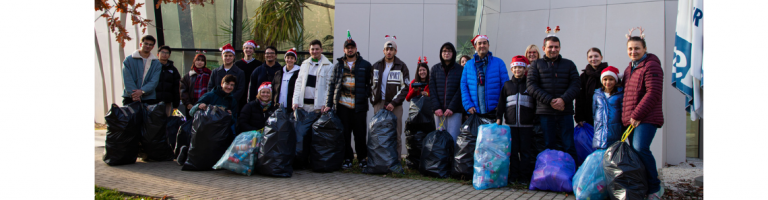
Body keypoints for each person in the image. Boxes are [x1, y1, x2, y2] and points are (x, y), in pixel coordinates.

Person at [621, 28, 665, 199]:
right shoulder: (629, 68)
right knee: (635, 152)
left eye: (637, 48)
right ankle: (644, 186)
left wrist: (637, 114)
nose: (633, 51)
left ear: (644, 49)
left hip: (646, 117)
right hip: (633, 119)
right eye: (630, 49)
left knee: (641, 148)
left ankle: (655, 188)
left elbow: (653, 93)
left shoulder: (651, 65)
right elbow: (627, 95)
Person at [323, 31, 374, 169]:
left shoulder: (365, 65)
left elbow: (371, 84)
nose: (350, 49)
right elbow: (332, 85)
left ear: (356, 49)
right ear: (344, 49)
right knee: (345, 134)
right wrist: (328, 104)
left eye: (352, 47)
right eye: (347, 47)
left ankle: (362, 158)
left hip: (359, 106)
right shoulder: (338, 65)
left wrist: (365, 95)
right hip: (342, 106)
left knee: (360, 134)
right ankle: (348, 159)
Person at [526, 34, 581, 162]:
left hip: (565, 112)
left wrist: (563, 100)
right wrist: (550, 100)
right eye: (550, 47)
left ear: (560, 48)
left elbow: (576, 85)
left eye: (556, 47)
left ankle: (571, 176)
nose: (553, 49)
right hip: (545, 113)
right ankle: (550, 176)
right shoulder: (536, 65)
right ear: (544, 48)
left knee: (568, 145)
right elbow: (531, 86)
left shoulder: (569, 64)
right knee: (548, 146)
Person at [496, 55, 536, 185]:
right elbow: (501, 104)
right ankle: (513, 176)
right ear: (512, 69)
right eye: (515, 67)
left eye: (520, 67)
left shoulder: (529, 85)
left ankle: (524, 177)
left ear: (525, 69)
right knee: (513, 152)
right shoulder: (507, 85)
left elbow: (535, 104)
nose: (518, 70)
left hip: (527, 126)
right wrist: (498, 118)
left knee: (525, 152)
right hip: (511, 125)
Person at [370, 39, 410, 159]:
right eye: (387, 49)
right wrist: (374, 101)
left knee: (396, 134)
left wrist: (393, 102)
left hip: (395, 106)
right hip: (379, 104)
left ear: (395, 51)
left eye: (391, 49)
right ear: (383, 51)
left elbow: (406, 87)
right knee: (378, 133)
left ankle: (396, 162)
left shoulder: (402, 66)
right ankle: (379, 161)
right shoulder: (376, 66)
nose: (389, 51)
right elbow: (370, 85)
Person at [460, 35, 509, 119]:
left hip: (494, 111)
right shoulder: (469, 65)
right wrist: (468, 105)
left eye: (484, 43)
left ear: (488, 45)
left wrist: (500, 105)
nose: (482, 45)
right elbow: (464, 86)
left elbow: (505, 86)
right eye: (479, 43)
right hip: (474, 111)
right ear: (475, 46)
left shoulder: (499, 63)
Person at [428, 42, 464, 142]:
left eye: (449, 51)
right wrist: (436, 107)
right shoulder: (435, 69)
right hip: (438, 112)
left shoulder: (460, 69)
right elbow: (432, 89)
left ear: (453, 53)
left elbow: (461, 90)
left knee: (453, 138)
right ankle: (441, 158)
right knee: (439, 139)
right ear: (441, 53)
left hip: (454, 111)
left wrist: (452, 107)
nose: (446, 53)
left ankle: (451, 158)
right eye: (444, 51)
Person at [292, 39, 334, 112]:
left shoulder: (329, 66)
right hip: (302, 107)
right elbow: (298, 84)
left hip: (318, 108)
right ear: (309, 50)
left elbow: (329, 87)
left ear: (321, 50)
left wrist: (325, 103)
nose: (314, 51)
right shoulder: (304, 64)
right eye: (312, 49)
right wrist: (295, 101)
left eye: (317, 49)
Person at [121, 35, 161, 105]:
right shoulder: (128, 60)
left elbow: (154, 81)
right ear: (140, 44)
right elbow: (127, 79)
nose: (148, 46)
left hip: (148, 98)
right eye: (146, 43)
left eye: (150, 44)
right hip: (130, 97)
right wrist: (134, 94)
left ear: (153, 47)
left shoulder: (156, 63)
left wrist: (142, 91)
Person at [575, 47, 608, 127]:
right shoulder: (583, 76)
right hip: (588, 117)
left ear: (601, 57)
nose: (593, 59)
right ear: (587, 59)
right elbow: (579, 98)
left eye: (596, 56)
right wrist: (579, 117)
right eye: (590, 57)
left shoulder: (608, 74)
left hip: (606, 116)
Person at [592, 66, 624, 149]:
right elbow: (594, 111)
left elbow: (622, 111)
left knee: (613, 152)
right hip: (600, 130)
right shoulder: (597, 94)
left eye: (611, 79)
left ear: (616, 80)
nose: (608, 82)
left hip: (614, 130)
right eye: (605, 79)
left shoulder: (620, 94)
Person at [207, 44, 246, 109]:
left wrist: (230, 100)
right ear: (222, 56)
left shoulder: (240, 73)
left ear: (234, 57)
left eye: (230, 56)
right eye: (226, 56)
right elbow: (210, 87)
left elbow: (241, 90)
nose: (228, 58)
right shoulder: (215, 72)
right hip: (216, 105)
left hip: (232, 105)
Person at [181, 53, 212, 119]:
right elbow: (183, 90)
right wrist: (188, 104)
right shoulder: (188, 76)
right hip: (191, 106)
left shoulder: (210, 74)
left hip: (206, 106)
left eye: (202, 60)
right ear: (194, 61)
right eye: (198, 60)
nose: (199, 62)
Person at [235, 40, 263, 110]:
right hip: (240, 94)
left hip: (253, 93)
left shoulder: (258, 64)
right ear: (243, 50)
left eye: (250, 48)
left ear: (253, 50)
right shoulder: (237, 64)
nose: (248, 50)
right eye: (246, 48)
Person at [154, 45, 181, 116]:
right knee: (152, 121)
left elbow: (176, 86)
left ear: (169, 55)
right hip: (153, 100)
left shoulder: (173, 69)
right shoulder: (152, 67)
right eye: (162, 52)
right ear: (158, 54)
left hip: (167, 101)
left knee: (166, 120)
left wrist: (176, 104)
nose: (164, 54)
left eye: (167, 53)